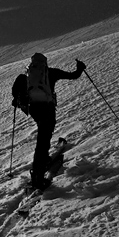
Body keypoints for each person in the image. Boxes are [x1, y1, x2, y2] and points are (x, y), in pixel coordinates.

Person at [14, 53, 86, 189]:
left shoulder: (27, 76)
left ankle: (42, 162)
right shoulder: (51, 72)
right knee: (43, 140)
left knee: (43, 135)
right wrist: (80, 68)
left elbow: (16, 93)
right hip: (47, 108)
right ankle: (38, 177)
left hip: (34, 109)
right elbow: (73, 76)